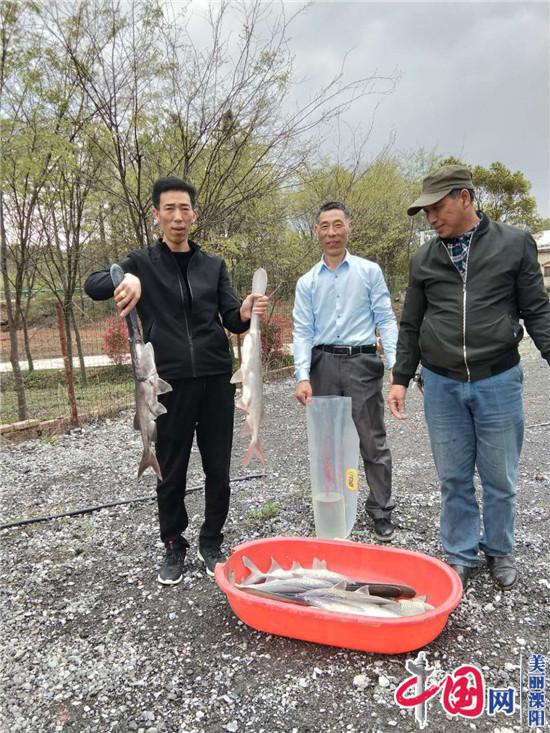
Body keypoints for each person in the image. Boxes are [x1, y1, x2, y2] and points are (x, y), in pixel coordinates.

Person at [85, 176, 268, 585]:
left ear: (195, 214)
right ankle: (173, 543)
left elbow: (230, 318)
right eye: (169, 209)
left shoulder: (213, 265)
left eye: (185, 209)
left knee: (218, 469)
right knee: (171, 469)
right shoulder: (141, 263)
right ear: (157, 215)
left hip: (217, 380)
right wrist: (123, 277)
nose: (178, 217)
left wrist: (245, 309)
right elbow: (92, 284)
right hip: (167, 385)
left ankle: (211, 540)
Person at [387, 164, 550, 590]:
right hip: (441, 384)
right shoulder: (423, 258)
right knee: (453, 476)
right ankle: (460, 553)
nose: (432, 218)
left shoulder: (514, 245)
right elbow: (411, 325)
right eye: (426, 213)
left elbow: (537, 311)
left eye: (437, 207)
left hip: (498, 379)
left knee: (499, 476)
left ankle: (499, 550)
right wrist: (400, 378)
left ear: (464, 197)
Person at [292, 201, 398, 542]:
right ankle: (333, 505)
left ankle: (381, 508)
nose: (332, 232)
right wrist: (302, 375)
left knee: (371, 437)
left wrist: (396, 366)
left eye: (338, 225)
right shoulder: (307, 282)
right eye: (325, 226)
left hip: (361, 363)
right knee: (327, 440)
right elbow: (302, 331)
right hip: (323, 363)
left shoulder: (369, 272)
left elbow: (385, 318)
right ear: (316, 231)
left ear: (349, 227)